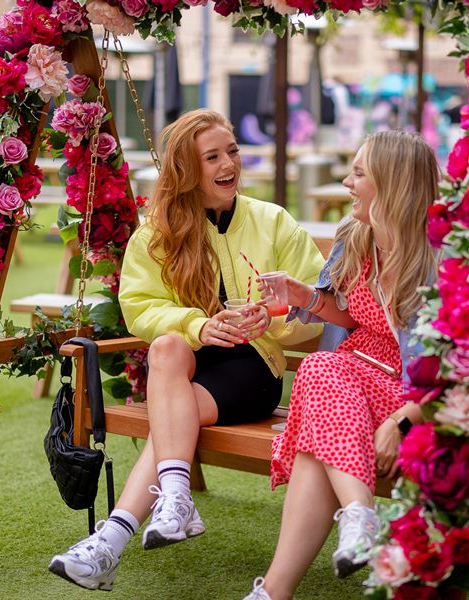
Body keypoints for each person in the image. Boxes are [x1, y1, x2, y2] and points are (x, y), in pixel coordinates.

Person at [49, 109, 324, 591]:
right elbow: (140, 308)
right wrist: (197, 326)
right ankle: (164, 504)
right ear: (185, 170)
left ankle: (114, 538)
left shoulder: (272, 220)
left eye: (232, 151)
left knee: (167, 418)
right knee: (169, 347)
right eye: (212, 156)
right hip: (189, 365)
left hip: (252, 366)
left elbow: (317, 304)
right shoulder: (160, 231)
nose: (228, 164)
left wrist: (274, 317)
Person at [244, 130, 439, 600]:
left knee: (318, 383)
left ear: (391, 183)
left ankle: (276, 589)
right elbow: (354, 317)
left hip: (413, 397)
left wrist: (402, 420)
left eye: (359, 173)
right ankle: (354, 523)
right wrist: (302, 296)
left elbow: (463, 369)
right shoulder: (357, 239)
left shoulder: (441, 256)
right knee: (322, 374)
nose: (347, 182)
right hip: (352, 387)